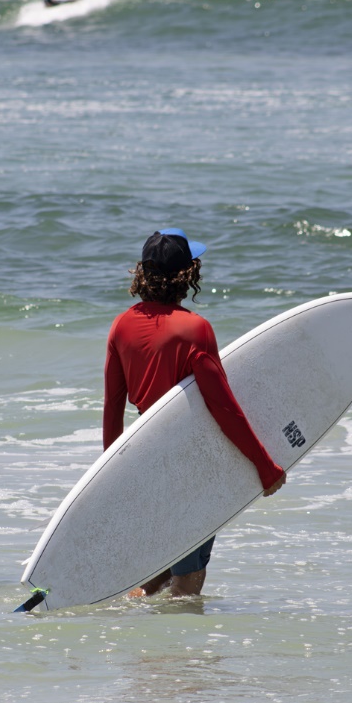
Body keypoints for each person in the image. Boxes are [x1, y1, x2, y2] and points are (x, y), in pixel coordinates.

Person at [103, 229, 286, 598]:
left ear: (142, 273)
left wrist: (112, 478)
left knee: (160, 572)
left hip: (144, 460)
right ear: (188, 275)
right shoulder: (195, 330)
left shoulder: (121, 326)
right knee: (189, 580)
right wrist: (265, 466)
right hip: (190, 465)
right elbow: (224, 408)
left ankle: (129, 634)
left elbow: (112, 411)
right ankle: (176, 654)